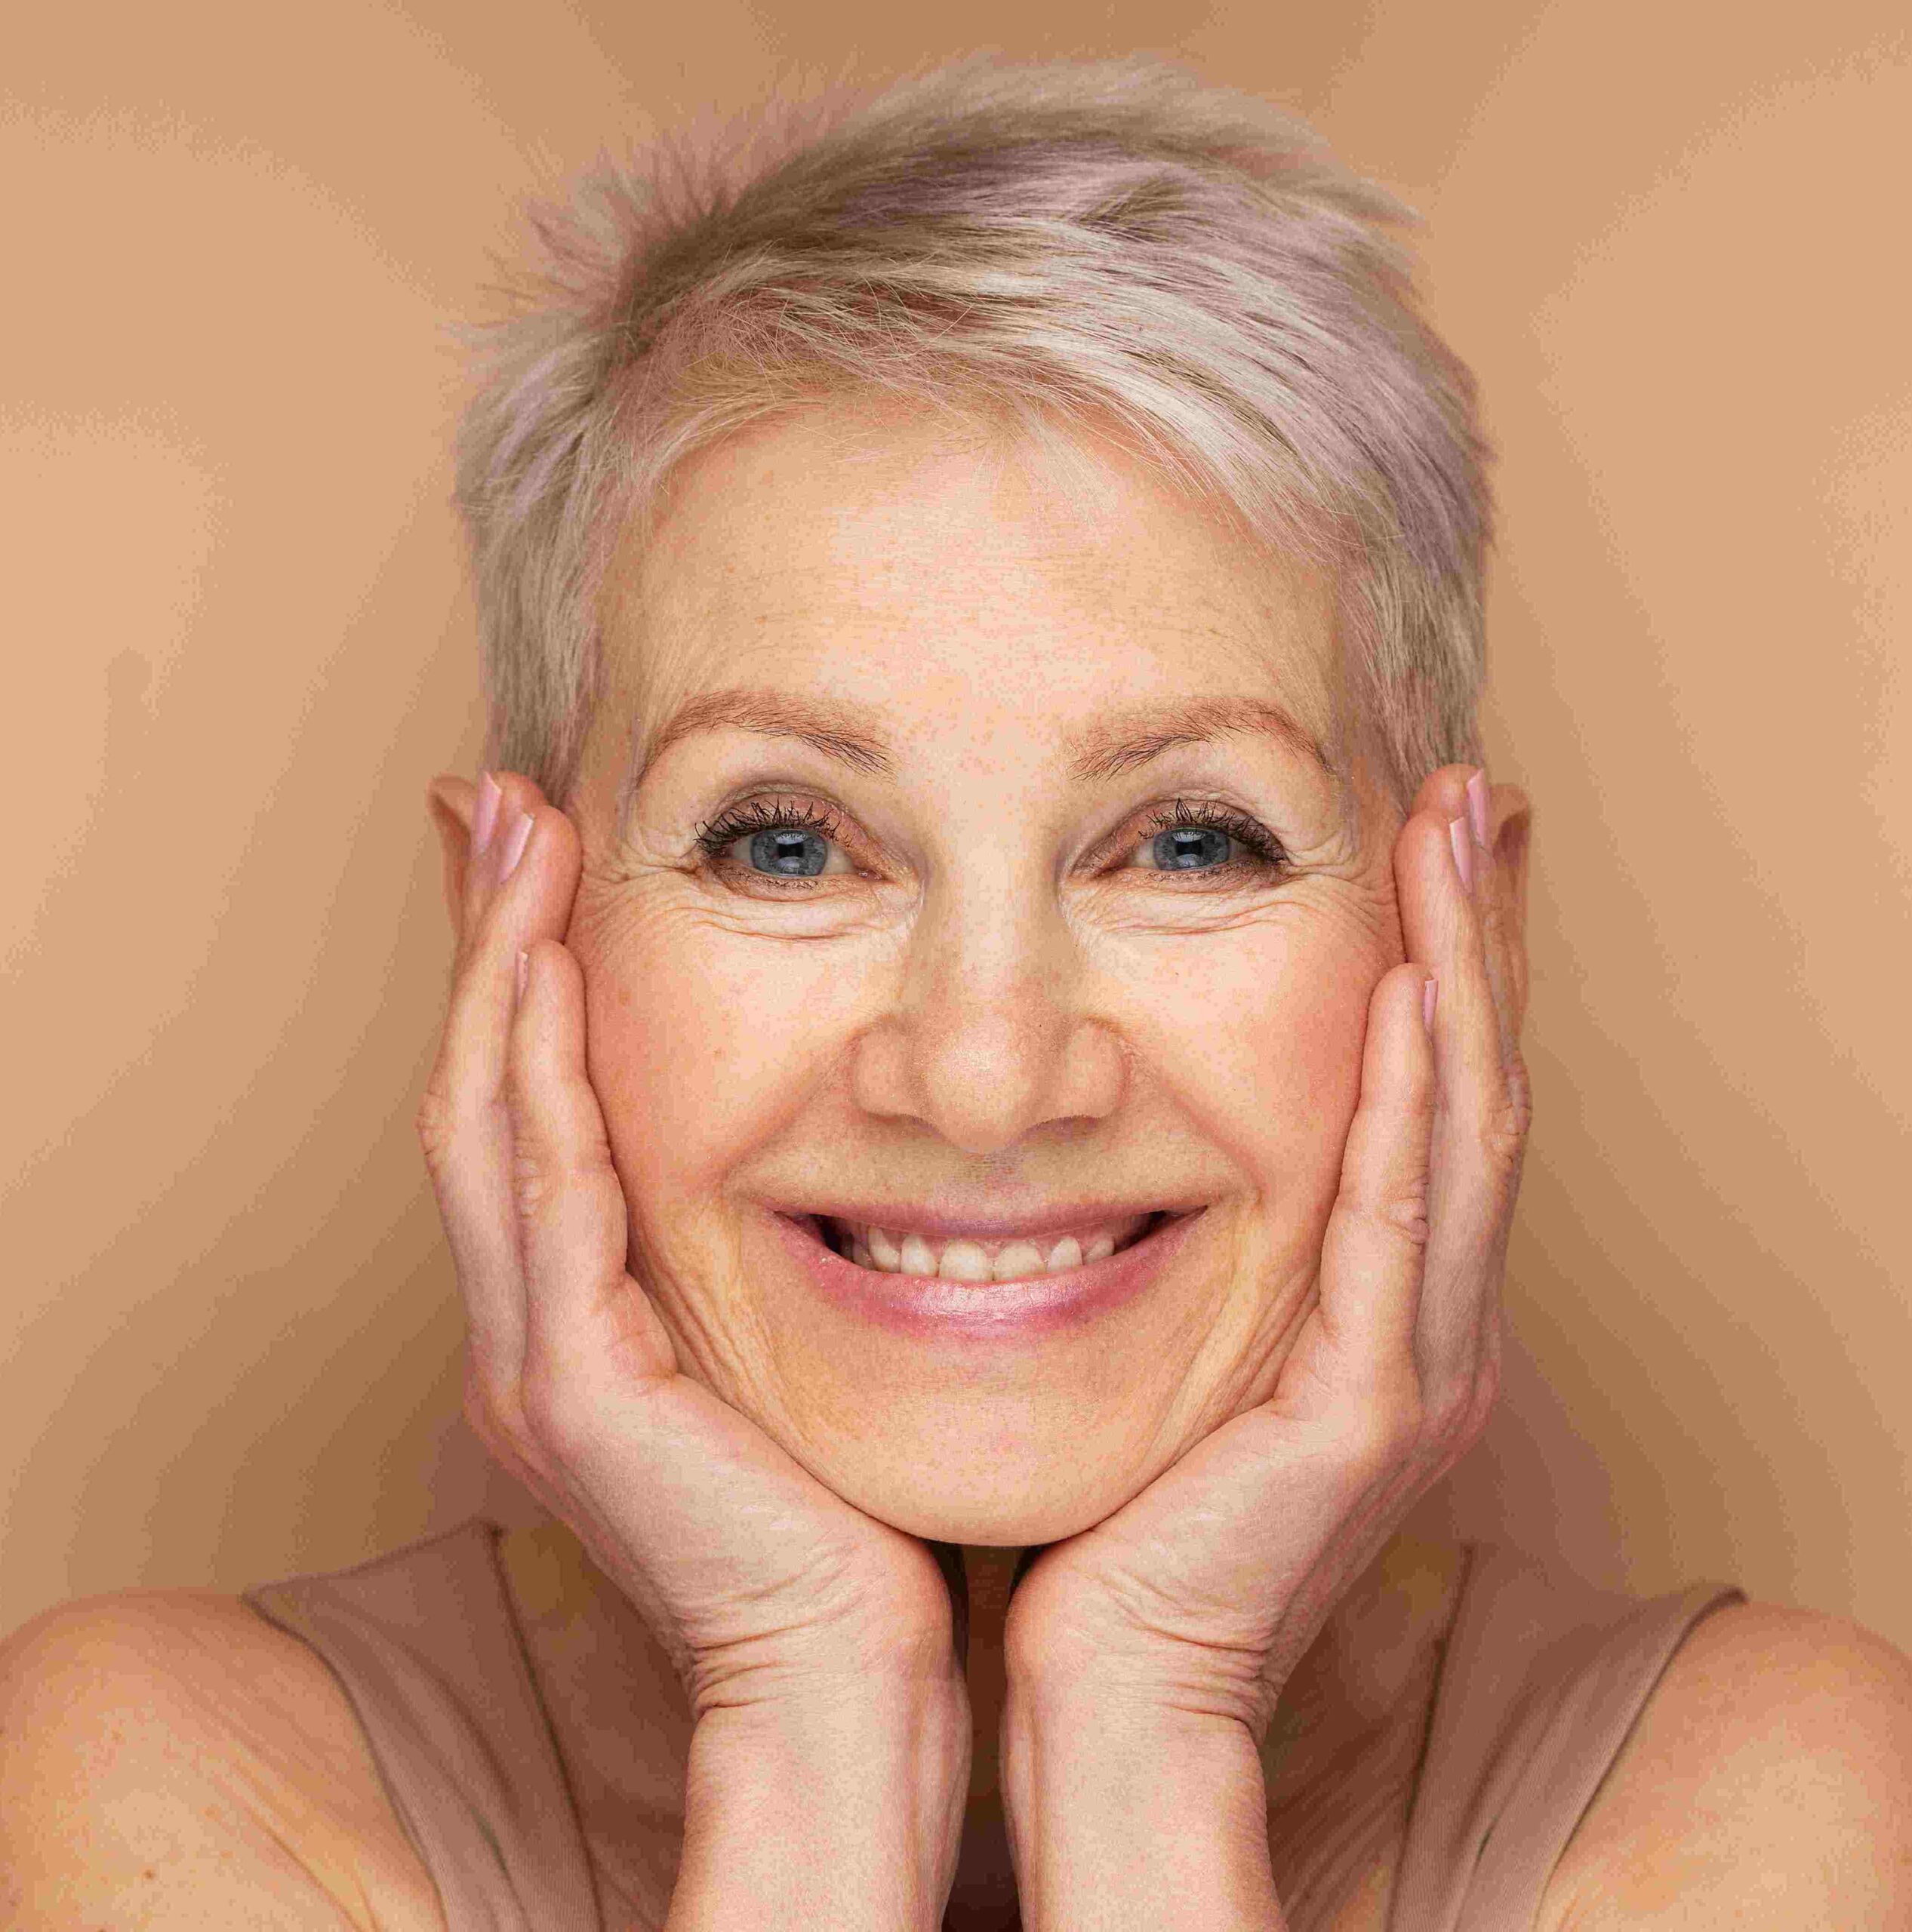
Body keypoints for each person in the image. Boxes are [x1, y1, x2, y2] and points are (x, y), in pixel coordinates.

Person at [4, 54, 1909, 1932]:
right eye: (784, 842)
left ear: (1459, 946)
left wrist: (1155, 1720)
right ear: (516, 929)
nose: (989, 1075)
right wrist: (802, 1712)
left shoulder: (1762, 1799)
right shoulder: (168, 1784)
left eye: (1188, 842)